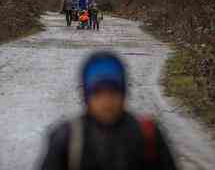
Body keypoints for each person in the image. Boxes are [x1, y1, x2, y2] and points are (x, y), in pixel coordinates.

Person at [39, 52, 179, 170]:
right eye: (97, 92)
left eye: (113, 91)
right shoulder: (66, 139)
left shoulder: (148, 135)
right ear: (86, 96)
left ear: (124, 92)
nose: (106, 101)